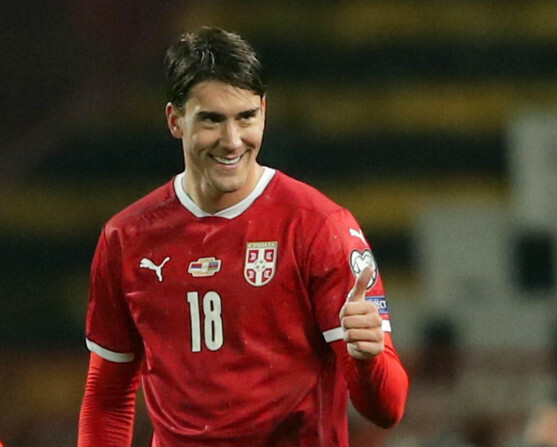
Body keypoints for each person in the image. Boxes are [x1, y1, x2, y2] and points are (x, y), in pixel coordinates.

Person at [77, 27, 409, 446]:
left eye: (246, 117)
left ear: (264, 112)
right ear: (175, 120)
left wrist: (368, 360)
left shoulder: (319, 228)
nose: (232, 142)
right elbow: (108, 395)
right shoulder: (126, 237)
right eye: (212, 120)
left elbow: (388, 409)